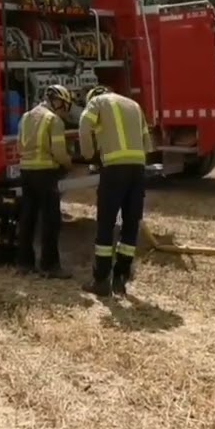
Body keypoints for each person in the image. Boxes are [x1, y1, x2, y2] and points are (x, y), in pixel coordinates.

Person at [78, 85, 153, 297]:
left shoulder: (97, 102)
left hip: (113, 170)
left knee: (106, 224)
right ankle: (120, 279)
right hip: (138, 169)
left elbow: (84, 125)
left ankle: (101, 280)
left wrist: (89, 154)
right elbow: (147, 142)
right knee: (130, 224)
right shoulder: (134, 105)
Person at [14, 84, 75, 279]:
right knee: (51, 221)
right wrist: (68, 164)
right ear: (57, 101)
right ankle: (50, 266)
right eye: (65, 105)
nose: (66, 110)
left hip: (26, 172)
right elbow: (59, 152)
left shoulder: (26, 117)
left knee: (27, 218)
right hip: (46, 174)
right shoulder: (53, 121)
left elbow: (18, 145)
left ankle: (24, 263)